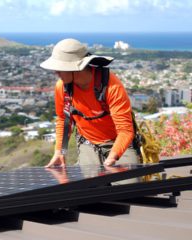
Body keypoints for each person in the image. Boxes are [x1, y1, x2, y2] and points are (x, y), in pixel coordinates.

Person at [40, 38, 139, 170]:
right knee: (92, 187)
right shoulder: (62, 88)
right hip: (88, 143)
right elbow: (64, 120)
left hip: (119, 143)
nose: (56, 72)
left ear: (74, 68)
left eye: (60, 68)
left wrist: (112, 157)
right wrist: (60, 152)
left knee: (127, 185)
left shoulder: (111, 86)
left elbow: (125, 131)